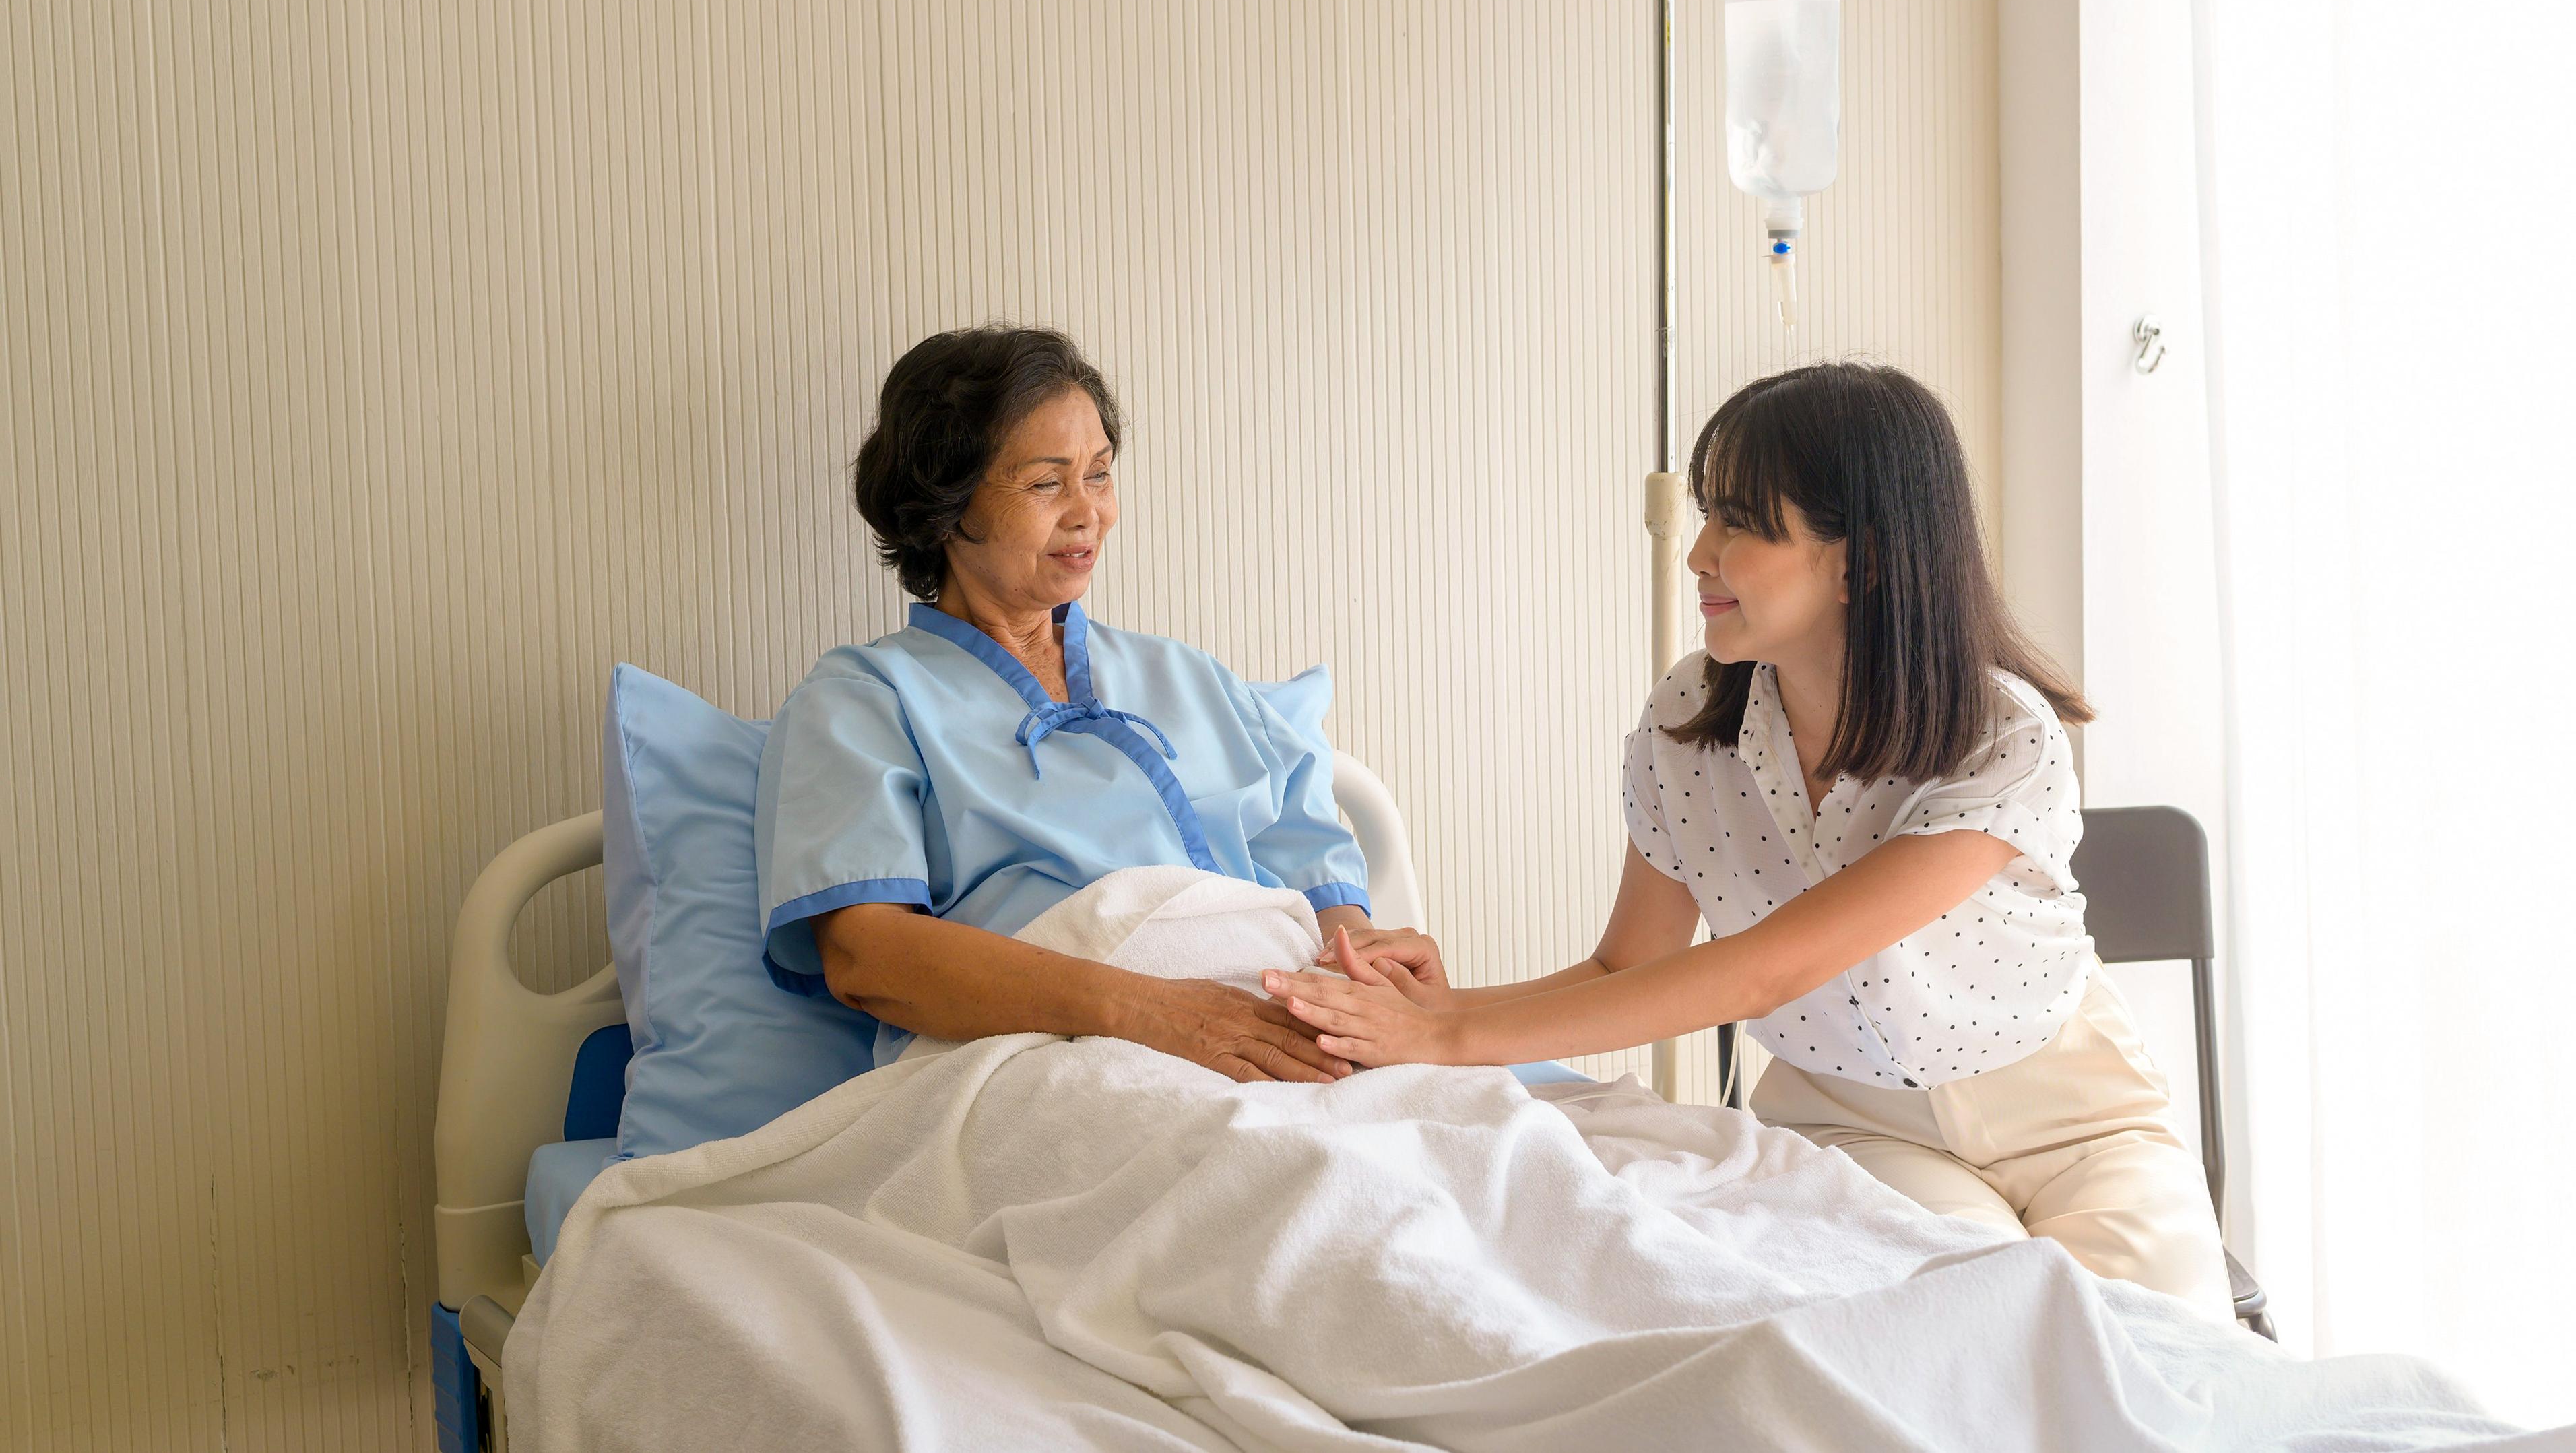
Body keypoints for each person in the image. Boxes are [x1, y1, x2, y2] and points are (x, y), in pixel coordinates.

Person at [1264, 362, 2234, 1319]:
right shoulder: (1687, 721)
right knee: (1965, 1347)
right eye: (1705, 515)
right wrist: (1439, 1010)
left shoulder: (2000, 733)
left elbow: (1767, 970)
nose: (1698, 554)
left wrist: (1449, 1034)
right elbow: (1625, 961)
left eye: (1739, 521)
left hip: (2071, 1113)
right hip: (1855, 1124)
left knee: (2161, 1350)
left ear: (1866, 557)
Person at [757, 324, 1370, 1085]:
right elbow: (867, 955)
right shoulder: (864, 699)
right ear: (946, 504)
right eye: (1048, 482)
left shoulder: (1191, 677)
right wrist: (1153, 1013)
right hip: (1051, 1056)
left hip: (1281, 1026)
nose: (1090, 513)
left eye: (1101, 474)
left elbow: (1322, 885)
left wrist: (1369, 974)